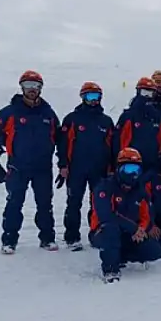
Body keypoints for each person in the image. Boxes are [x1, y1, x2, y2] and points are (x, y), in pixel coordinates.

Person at [0, 70, 61, 253]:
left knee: (45, 204)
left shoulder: (48, 113)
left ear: (40, 89)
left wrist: (63, 163)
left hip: (43, 168)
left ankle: (47, 238)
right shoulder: (9, 112)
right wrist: (2, 149)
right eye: (28, 86)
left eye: (35, 86)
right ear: (22, 87)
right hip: (18, 167)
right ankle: (9, 241)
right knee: (14, 203)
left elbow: (59, 137)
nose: (32, 90)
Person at [89, 147, 161, 283]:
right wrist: (134, 228)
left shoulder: (140, 190)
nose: (132, 174)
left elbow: (146, 215)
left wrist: (141, 230)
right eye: (128, 169)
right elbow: (107, 215)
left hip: (130, 233)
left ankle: (121, 255)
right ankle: (110, 269)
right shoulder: (104, 187)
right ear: (119, 169)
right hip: (103, 231)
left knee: (155, 250)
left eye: (136, 170)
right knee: (110, 229)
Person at [58, 81, 115, 251]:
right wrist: (63, 164)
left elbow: (112, 146)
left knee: (98, 203)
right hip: (76, 168)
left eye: (96, 96)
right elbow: (63, 144)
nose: (93, 100)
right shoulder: (72, 119)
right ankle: (72, 237)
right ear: (83, 97)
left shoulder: (106, 121)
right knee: (74, 202)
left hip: (99, 169)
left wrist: (111, 168)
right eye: (90, 96)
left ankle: (96, 232)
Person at [114, 77, 161, 172]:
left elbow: (160, 140)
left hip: (151, 166)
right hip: (131, 164)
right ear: (138, 92)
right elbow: (121, 141)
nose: (147, 96)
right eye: (144, 92)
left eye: (150, 93)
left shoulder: (156, 117)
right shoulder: (129, 115)